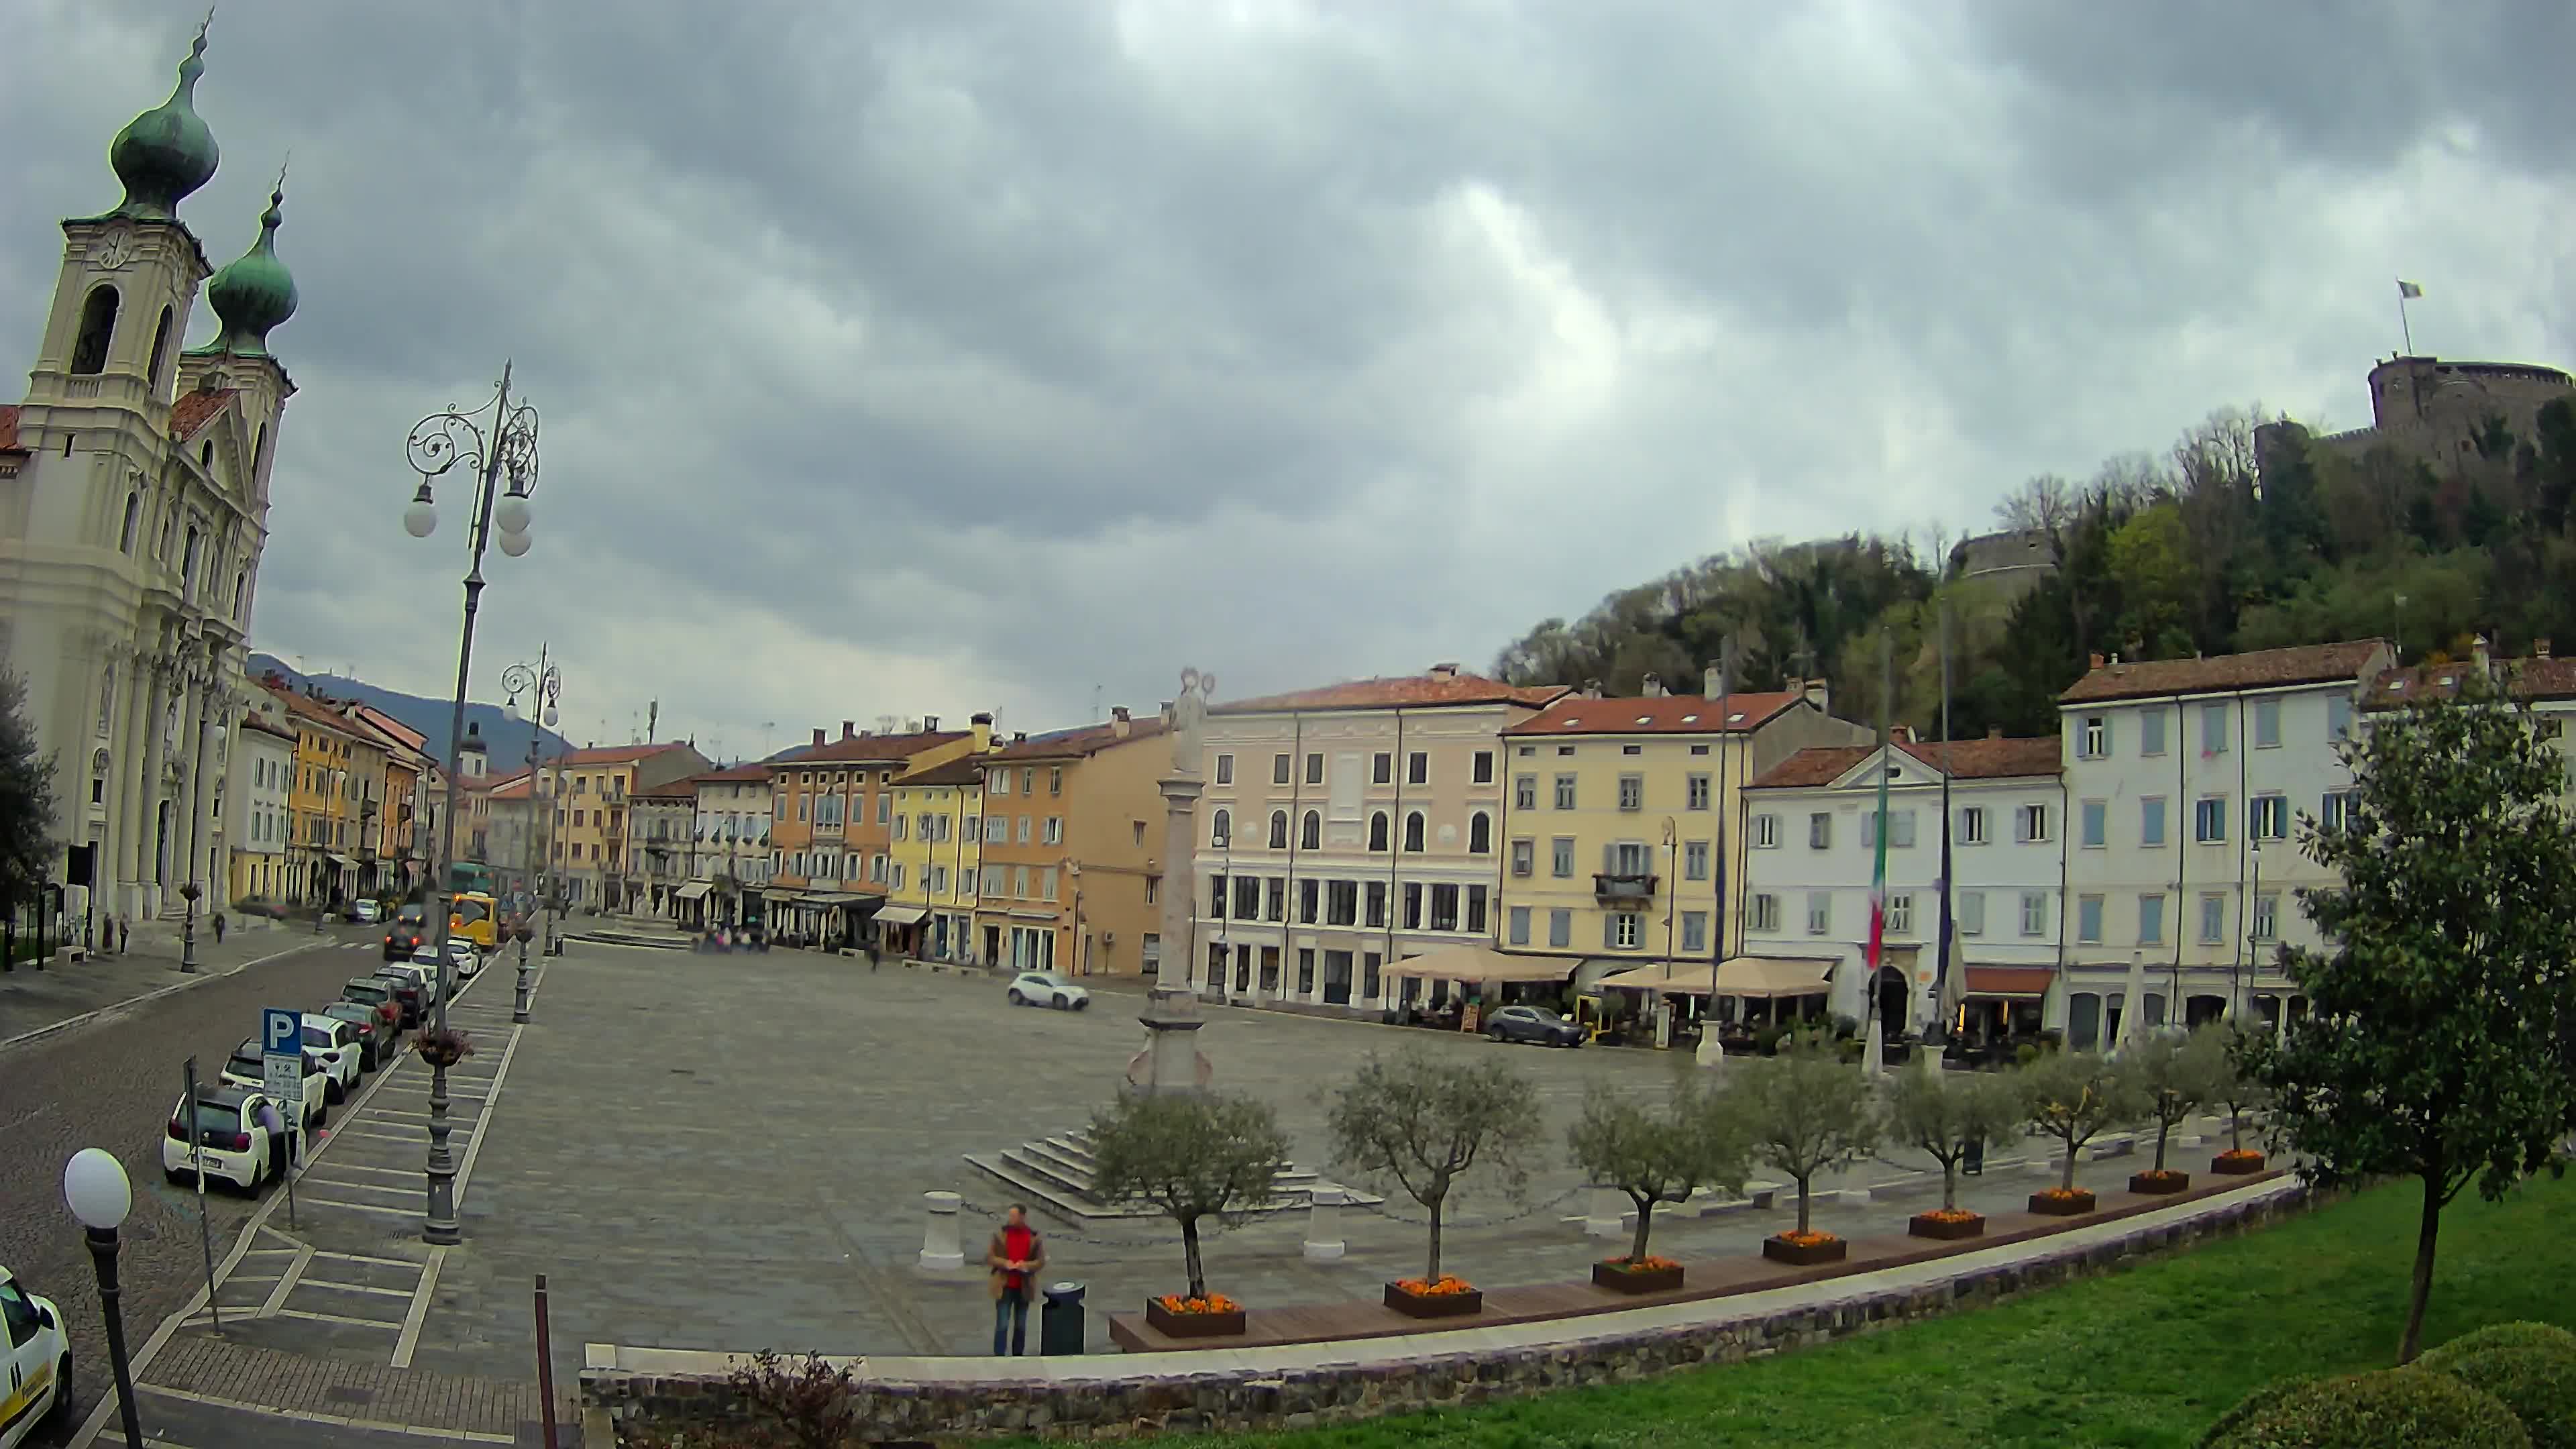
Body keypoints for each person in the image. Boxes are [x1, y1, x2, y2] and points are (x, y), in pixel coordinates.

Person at [985, 1205, 1046, 1356]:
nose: (1011, 1219)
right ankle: (999, 1356)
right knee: (1003, 1324)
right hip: (1004, 1285)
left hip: (1023, 1286)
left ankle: (1018, 1356)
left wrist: (1026, 1265)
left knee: (1021, 1325)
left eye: (1014, 1216)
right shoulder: (1001, 1235)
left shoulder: (1033, 1238)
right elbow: (990, 1257)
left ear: (1022, 1217)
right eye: (1010, 1216)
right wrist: (1005, 1263)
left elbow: (1040, 1261)